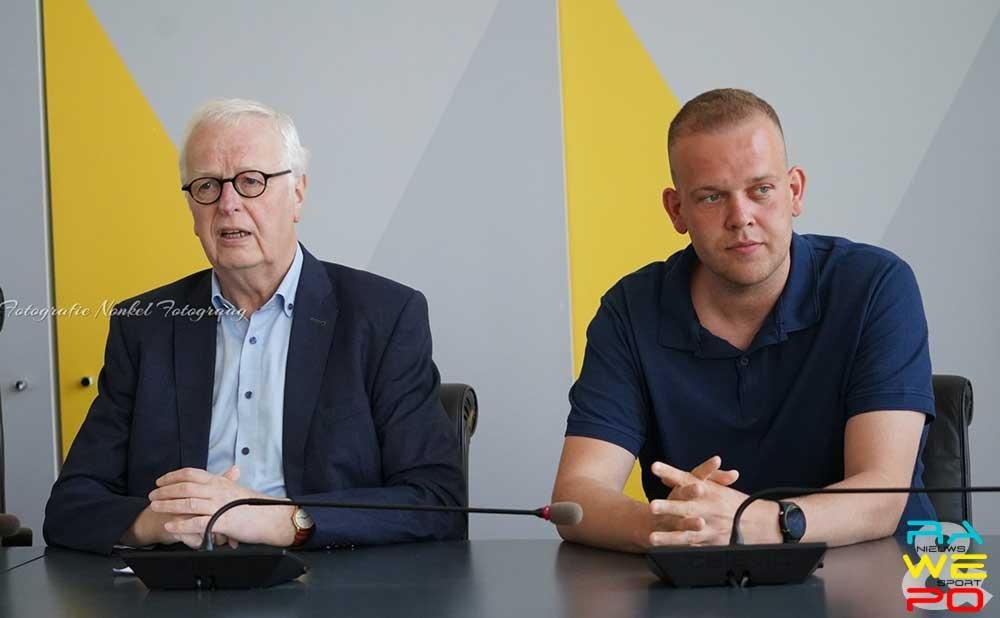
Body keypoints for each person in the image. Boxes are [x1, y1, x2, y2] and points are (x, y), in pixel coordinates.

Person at [43, 99, 464, 554]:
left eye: (251, 182)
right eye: (207, 186)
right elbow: (70, 507)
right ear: (191, 208)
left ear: (297, 194)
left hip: (331, 586)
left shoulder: (382, 316)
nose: (228, 205)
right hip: (180, 583)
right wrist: (156, 522)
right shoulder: (144, 326)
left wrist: (282, 521)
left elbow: (436, 502)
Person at [552, 88, 936, 552]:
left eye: (761, 190)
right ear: (677, 211)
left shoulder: (875, 285)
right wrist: (674, 525)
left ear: (794, 191)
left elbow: (882, 495)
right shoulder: (631, 309)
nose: (741, 217)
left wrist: (750, 523)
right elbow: (576, 497)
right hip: (703, 587)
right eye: (712, 197)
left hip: (873, 576)